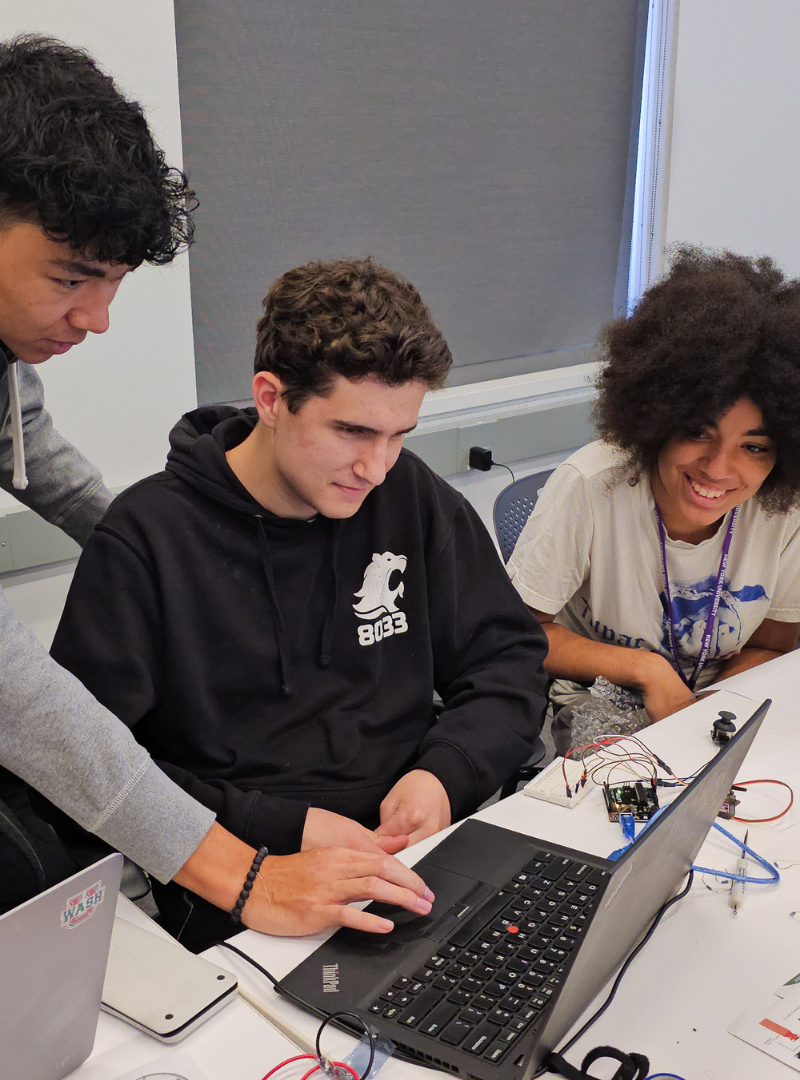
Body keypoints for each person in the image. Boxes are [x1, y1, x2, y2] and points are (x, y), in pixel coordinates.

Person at [0, 39, 429, 938]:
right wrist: (242, 875)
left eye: (112, 286)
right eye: (71, 282)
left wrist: (166, 542)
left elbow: (30, 444)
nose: (96, 321)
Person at [51, 258, 549, 949]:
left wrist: (443, 775)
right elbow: (89, 766)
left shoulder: (409, 495)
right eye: (351, 432)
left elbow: (509, 659)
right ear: (270, 397)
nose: (376, 469)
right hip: (241, 883)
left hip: (415, 855)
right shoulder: (147, 540)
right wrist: (284, 827)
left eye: (399, 434)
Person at [507, 247, 800, 755]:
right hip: (602, 694)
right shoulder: (592, 484)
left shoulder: (789, 508)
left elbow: (771, 643)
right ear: (657, 418)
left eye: (753, 446)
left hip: (724, 694)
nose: (717, 468)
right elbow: (518, 633)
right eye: (698, 431)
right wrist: (645, 669)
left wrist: (711, 704)